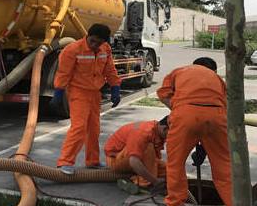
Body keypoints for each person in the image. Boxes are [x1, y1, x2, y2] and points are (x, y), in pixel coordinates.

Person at [156, 57, 233, 206]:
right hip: (217, 117)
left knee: (175, 163)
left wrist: (178, 109)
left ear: (193, 64)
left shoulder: (180, 71)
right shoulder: (217, 79)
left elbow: (163, 94)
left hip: (186, 115)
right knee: (223, 164)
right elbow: (224, 104)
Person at [51, 23, 122, 175]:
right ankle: (65, 162)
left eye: (99, 43)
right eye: (92, 41)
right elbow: (63, 74)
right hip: (78, 92)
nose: (95, 45)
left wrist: (115, 87)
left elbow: (110, 70)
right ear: (87, 36)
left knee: (93, 129)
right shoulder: (72, 49)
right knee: (79, 128)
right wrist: (58, 92)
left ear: (104, 42)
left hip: (95, 93)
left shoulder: (105, 49)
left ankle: (93, 160)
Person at [104, 115, 169, 195]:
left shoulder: (157, 132)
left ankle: (134, 180)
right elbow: (134, 162)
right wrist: (154, 180)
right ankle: (145, 184)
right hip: (116, 159)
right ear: (164, 129)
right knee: (148, 146)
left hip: (132, 159)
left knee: (169, 171)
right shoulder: (142, 132)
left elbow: (152, 160)